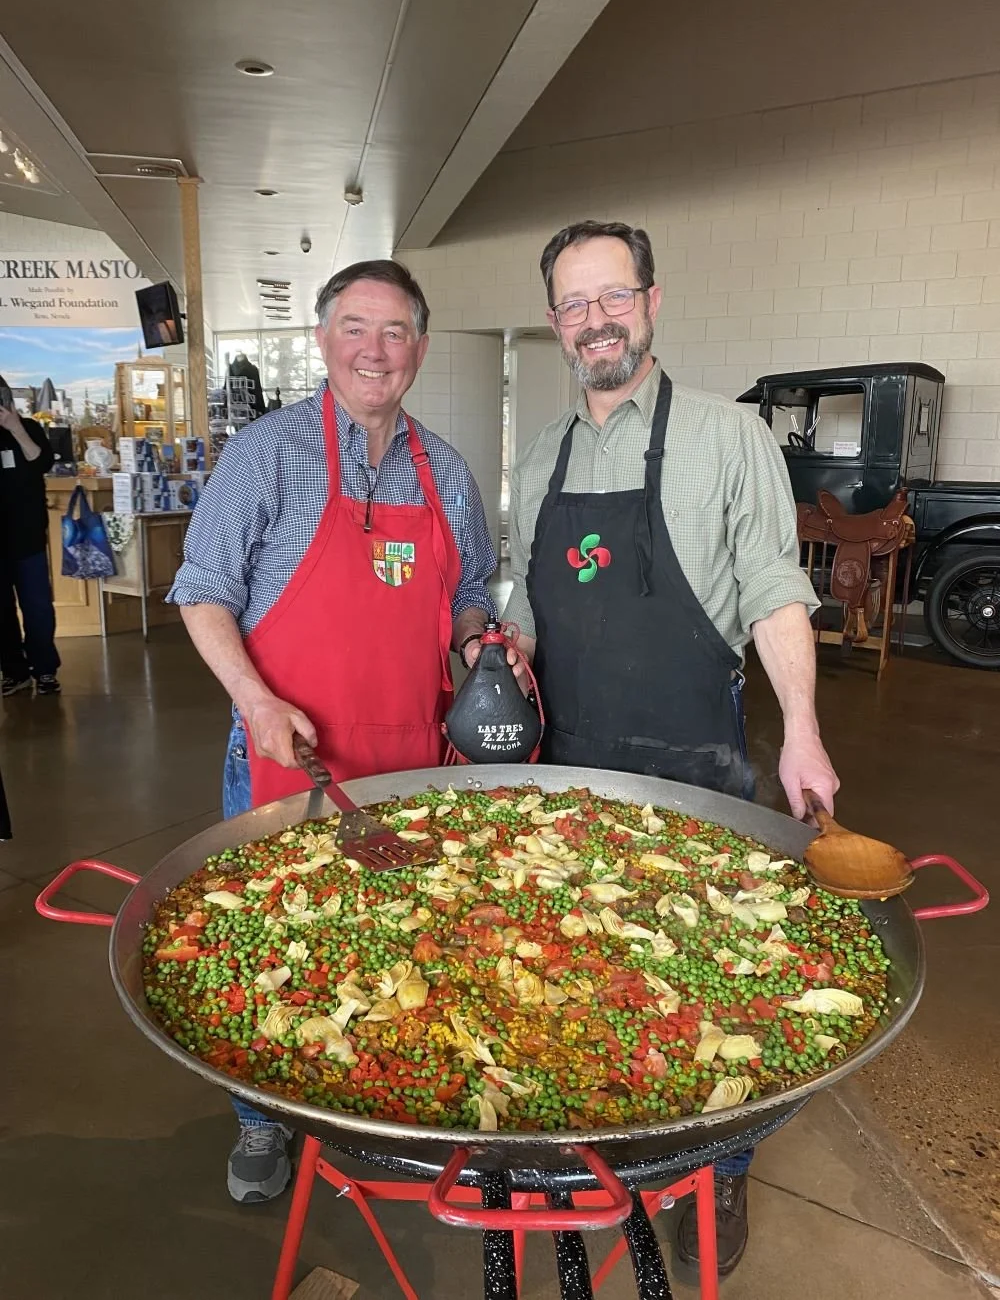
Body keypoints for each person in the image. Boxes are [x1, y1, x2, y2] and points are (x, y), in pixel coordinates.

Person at [481, 220, 839, 1277]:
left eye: (613, 296)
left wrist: (804, 730)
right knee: (583, 982)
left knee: (703, 993)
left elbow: (774, 593)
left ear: (651, 298)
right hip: (565, 767)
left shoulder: (730, 437)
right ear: (555, 324)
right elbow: (527, 588)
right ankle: (590, 1164)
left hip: (692, 765)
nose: (596, 319)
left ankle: (716, 1173)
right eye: (574, 304)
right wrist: (506, 650)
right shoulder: (541, 454)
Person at [167, 259, 497, 1203]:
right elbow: (201, 592)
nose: (374, 350)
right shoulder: (266, 454)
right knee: (276, 948)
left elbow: (468, 593)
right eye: (355, 327)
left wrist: (482, 654)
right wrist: (255, 701)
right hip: (289, 759)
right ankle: (261, 1119)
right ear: (323, 339)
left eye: (394, 332)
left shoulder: (447, 470)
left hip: (413, 759)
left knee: (400, 947)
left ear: (420, 350)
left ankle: (389, 1102)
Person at [0, 376, 61, 697]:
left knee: (38, 607)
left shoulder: (29, 428)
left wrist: (15, 428)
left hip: (28, 537)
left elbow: (42, 461)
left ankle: (45, 669)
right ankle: (14, 671)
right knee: (2, 612)